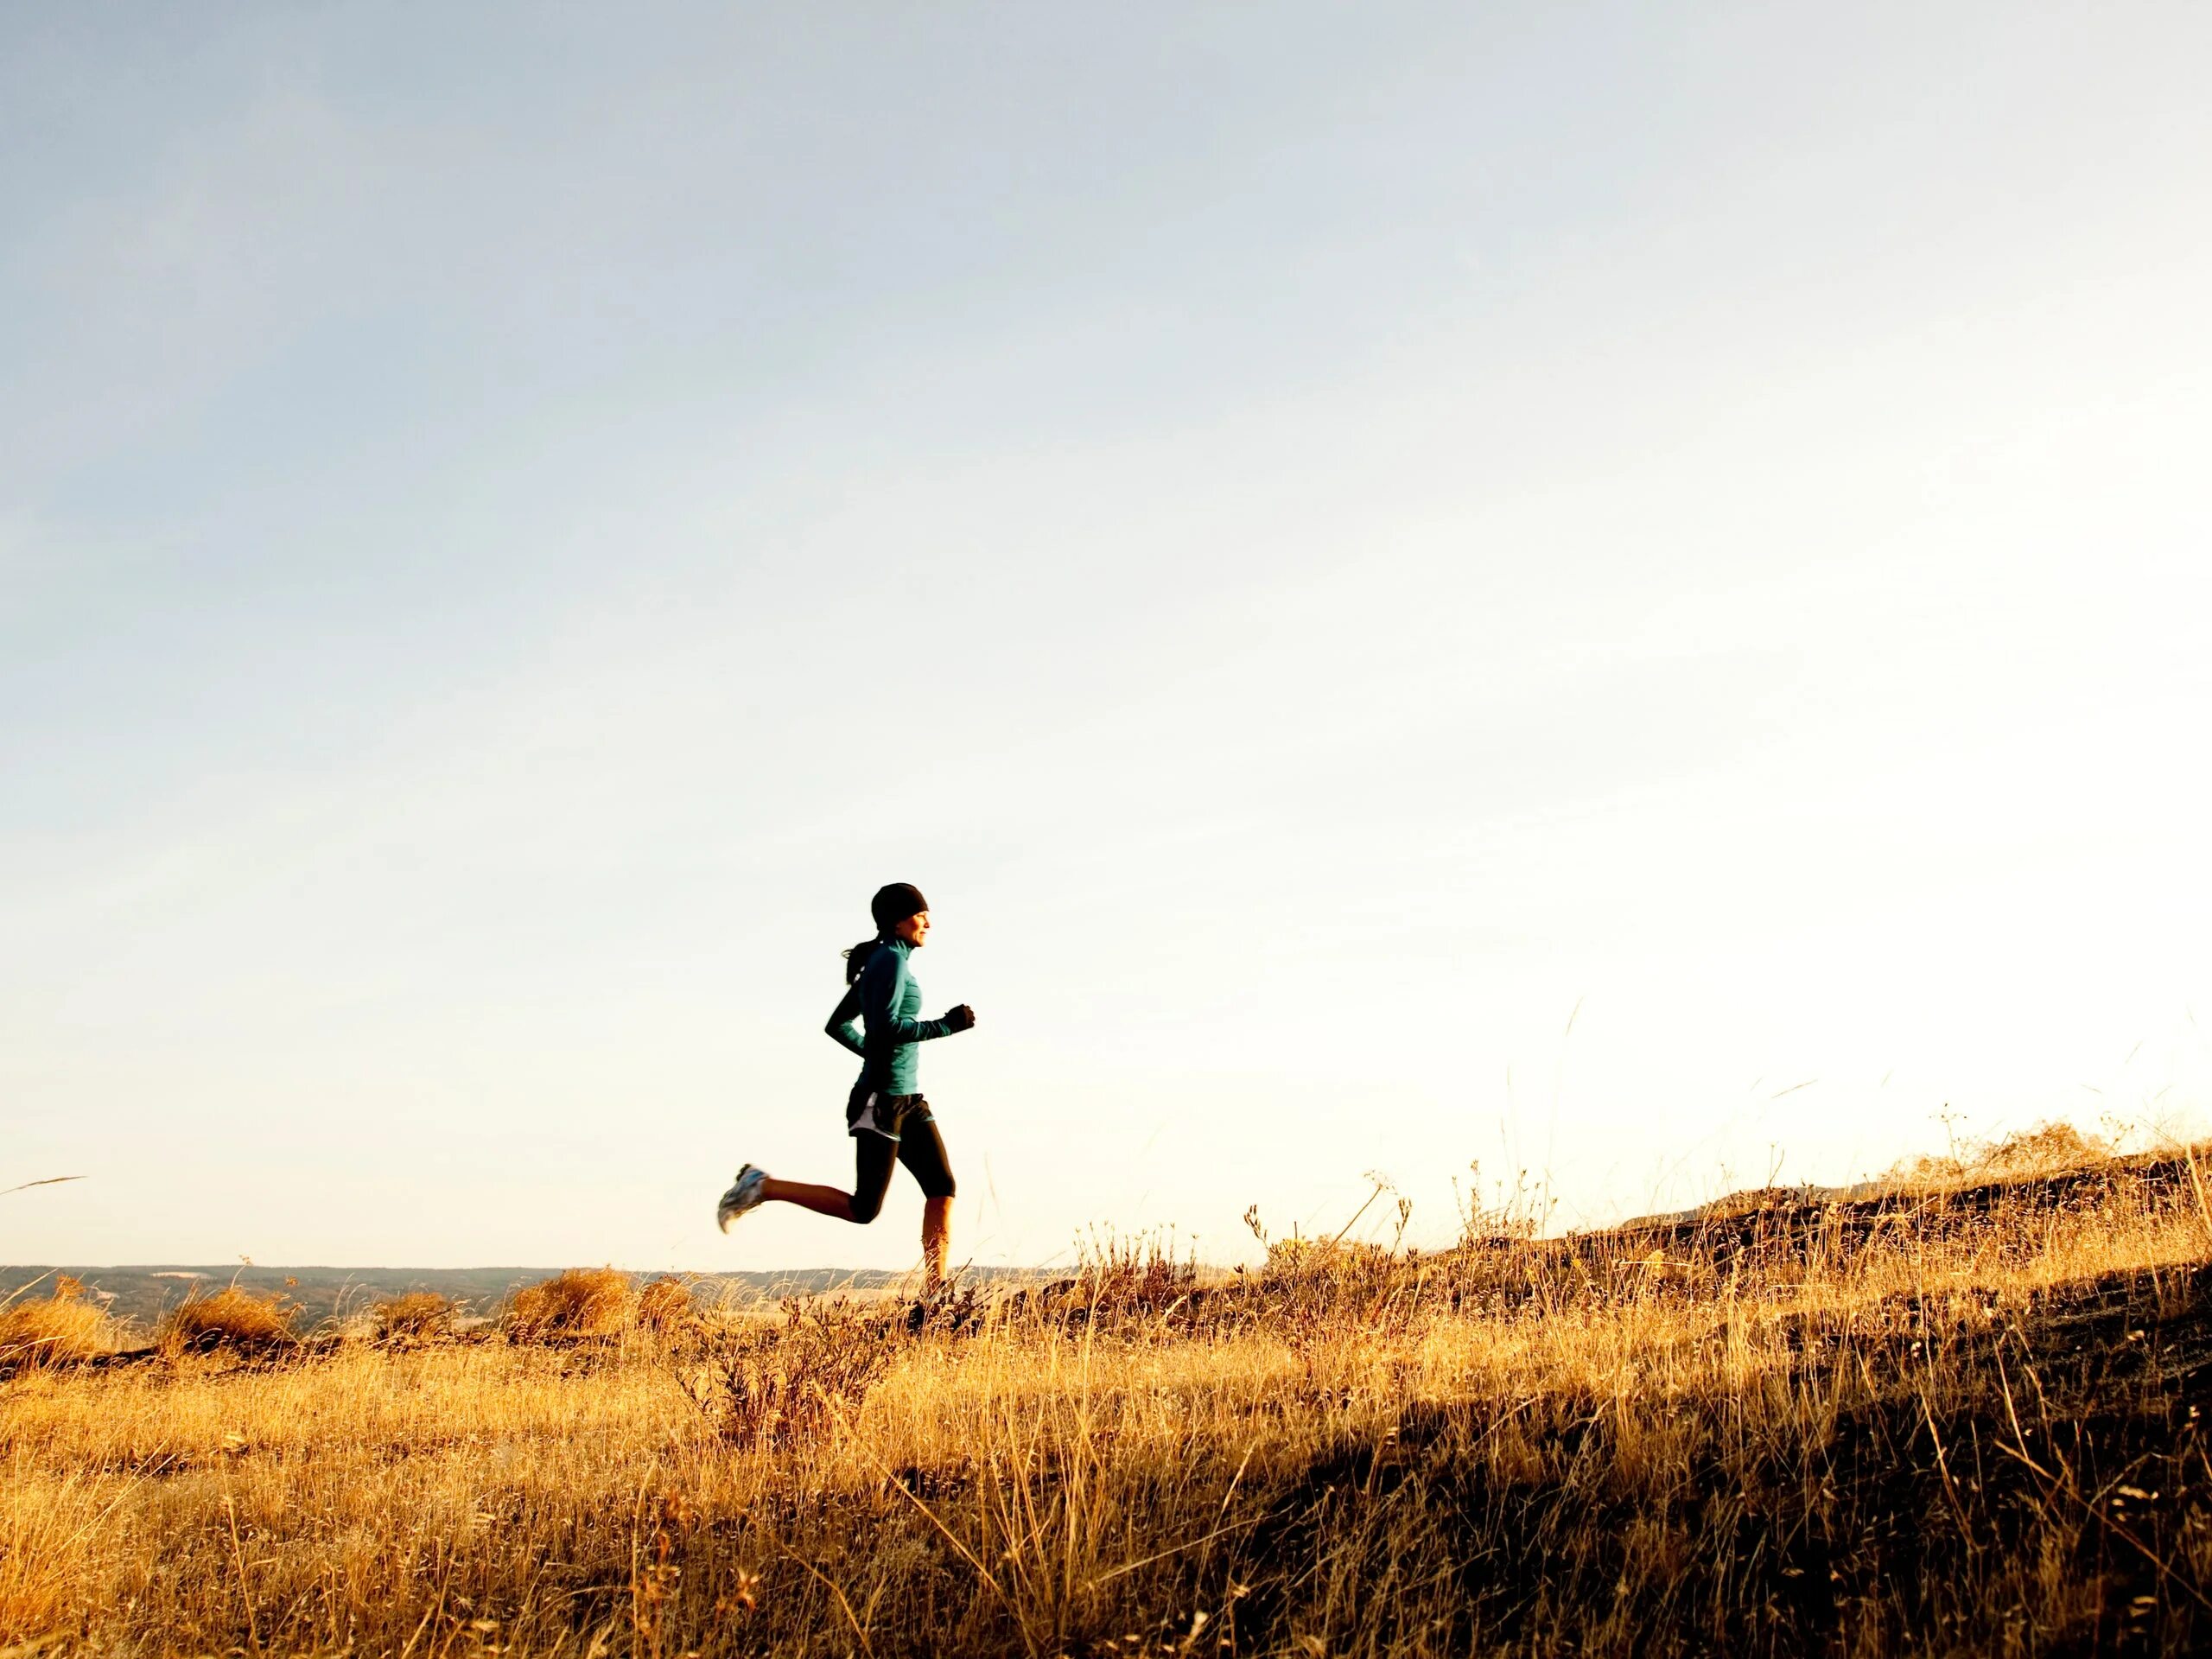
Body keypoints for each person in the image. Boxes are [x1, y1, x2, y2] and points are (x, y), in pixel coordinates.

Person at [715, 882, 976, 1290]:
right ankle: (760, 1186)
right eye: (919, 913)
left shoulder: (887, 959)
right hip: (880, 1101)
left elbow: (838, 1025)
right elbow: (886, 1027)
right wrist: (945, 1026)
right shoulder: (889, 960)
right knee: (863, 1208)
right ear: (897, 919)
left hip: (908, 1098)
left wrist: (875, 1054)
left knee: (942, 1187)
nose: (928, 920)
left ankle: (936, 1294)